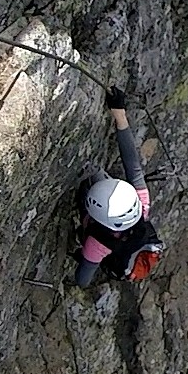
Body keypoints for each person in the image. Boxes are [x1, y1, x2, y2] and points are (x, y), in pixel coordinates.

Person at [74, 87, 162, 286]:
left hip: (100, 238)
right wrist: (119, 114)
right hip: (102, 233)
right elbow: (132, 163)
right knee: (95, 174)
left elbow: (83, 281)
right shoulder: (140, 204)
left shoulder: (98, 244)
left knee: (93, 174)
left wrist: (87, 255)